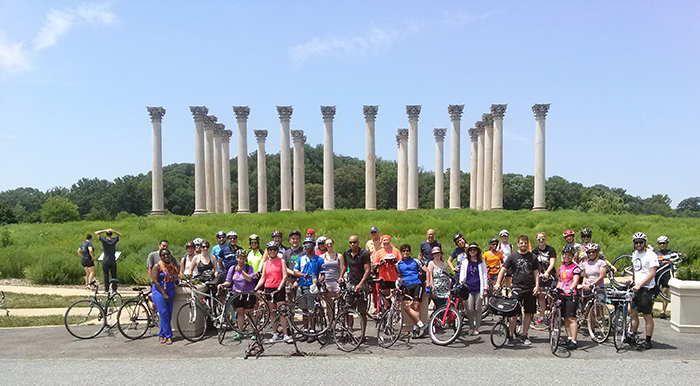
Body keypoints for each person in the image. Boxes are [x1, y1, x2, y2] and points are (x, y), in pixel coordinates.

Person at [495, 235, 539, 347]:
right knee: (513, 314)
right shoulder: (513, 256)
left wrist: (537, 286)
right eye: (521, 243)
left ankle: (524, 335)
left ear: (527, 244)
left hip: (530, 288)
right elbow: (503, 269)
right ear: (518, 244)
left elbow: (536, 272)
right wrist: (498, 283)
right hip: (517, 288)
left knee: (529, 313)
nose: (523, 245)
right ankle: (510, 336)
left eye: (525, 243)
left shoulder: (532, 257)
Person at [254, 241, 291, 343]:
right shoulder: (266, 263)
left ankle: (285, 334)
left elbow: (285, 276)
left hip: (279, 289)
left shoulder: (281, 261)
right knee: (272, 313)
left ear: (277, 250)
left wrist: (280, 287)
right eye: (270, 250)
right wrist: (256, 288)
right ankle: (275, 334)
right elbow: (263, 278)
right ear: (268, 251)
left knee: (282, 312)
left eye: (274, 250)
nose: (272, 252)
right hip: (268, 288)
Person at [293, 237, 326, 342]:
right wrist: (303, 275)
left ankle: (312, 330)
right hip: (302, 286)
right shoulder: (301, 258)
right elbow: (295, 271)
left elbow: (322, 273)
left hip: (312, 287)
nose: (306, 247)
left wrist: (319, 281)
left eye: (309, 245)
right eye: (305, 245)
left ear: (313, 245)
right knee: (304, 310)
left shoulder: (319, 259)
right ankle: (305, 330)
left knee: (312, 310)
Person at [218, 248, 255, 340]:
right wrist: (222, 285)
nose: (241, 260)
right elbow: (228, 281)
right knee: (239, 312)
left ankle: (254, 331)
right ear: (236, 258)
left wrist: (241, 272)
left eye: (243, 258)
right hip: (237, 294)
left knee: (249, 313)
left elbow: (250, 279)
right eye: (239, 258)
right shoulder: (232, 268)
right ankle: (240, 331)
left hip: (248, 293)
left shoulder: (249, 268)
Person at [630, 232, 658, 350]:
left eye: (641, 242)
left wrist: (640, 284)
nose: (638, 244)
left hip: (647, 289)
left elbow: (652, 274)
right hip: (636, 288)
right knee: (633, 313)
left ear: (645, 242)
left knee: (647, 316)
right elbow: (636, 270)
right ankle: (632, 335)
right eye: (636, 242)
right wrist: (632, 280)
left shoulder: (651, 255)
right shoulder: (635, 254)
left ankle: (648, 340)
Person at [397, 244, 428, 338]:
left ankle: (415, 329)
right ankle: (421, 325)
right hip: (406, 286)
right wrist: (399, 281)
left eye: (407, 251)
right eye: (403, 251)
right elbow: (398, 276)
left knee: (416, 307)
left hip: (417, 284)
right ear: (401, 252)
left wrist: (428, 283)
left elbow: (427, 271)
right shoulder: (398, 264)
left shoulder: (416, 261)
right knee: (406, 306)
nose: (405, 253)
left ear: (409, 252)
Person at [150, 248, 179, 345]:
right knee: (163, 313)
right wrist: (163, 294)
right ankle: (168, 336)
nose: (166, 256)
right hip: (159, 291)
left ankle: (161, 334)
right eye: (163, 255)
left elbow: (175, 277)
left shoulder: (171, 266)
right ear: (160, 256)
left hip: (170, 290)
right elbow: (155, 281)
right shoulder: (157, 266)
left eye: (167, 254)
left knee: (168, 314)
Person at [459, 242, 488, 335]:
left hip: (479, 287)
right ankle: (471, 326)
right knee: (470, 309)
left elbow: (484, 275)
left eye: (474, 250)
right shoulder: (465, 262)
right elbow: (462, 275)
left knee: (478, 309)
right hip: (468, 288)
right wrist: (461, 286)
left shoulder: (481, 262)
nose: (472, 251)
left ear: (477, 251)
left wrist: (485, 288)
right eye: (471, 250)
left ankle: (477, 327)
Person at [343, 235, 371, 327]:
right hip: (351, 282)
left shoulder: (364, 254)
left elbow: (367, 270)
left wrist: (361, 284)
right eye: (350, 243)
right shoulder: (347, 253)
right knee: (349, 309)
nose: (352, 244)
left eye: (354, 242)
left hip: (361, 283)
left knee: (362, 311)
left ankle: (362, 334)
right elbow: (345, 265)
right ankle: (349, 331)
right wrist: (341, 276)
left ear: (358, 242)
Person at [557, 245, 582, 350]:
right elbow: (560, 281)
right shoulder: (561, 267)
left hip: (571, 295)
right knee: (565, 318)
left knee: (571, 318)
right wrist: (557, 289)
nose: (566, 257)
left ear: (572, 256)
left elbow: (575, 281)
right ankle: (569, 338)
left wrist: (571, 289)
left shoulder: (575, 268)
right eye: (565, 254)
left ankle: (574, 340)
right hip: (562, 294)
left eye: (569, 255)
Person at [532, 232, 557, 326]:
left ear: (545, 239)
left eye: (543, 239)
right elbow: (534, 265)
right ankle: (542, 316)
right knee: (541, 295)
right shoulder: (534, 252)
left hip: (550, 274)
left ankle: (552, 315)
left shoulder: (551, 249)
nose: (541, 241)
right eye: (539, 239)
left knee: (551, 295)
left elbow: (552, 262)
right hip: (540, 274)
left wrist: (547, 271)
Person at [95, 228, 122, 293]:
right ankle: (114, 290)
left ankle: (106, 290)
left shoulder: (104, 240)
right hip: (113, 259)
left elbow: (96, 233)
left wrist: (104, 230)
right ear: (111, 234)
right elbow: (120, 235)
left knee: (106, 275)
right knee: (114, 275)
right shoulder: (114, 240)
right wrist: (114, 231)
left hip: (106, 259)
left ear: (106, 234)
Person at [656, 235, 676, 319]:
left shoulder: (671, 253)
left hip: (666, 275)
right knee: (653, 294)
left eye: (664, 243)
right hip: (657, 275)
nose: (662, 245)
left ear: (667, 244)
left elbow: (680, 256)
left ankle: (663, 311)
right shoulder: (655, 254)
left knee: (665, 293)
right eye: (660, 243)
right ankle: (649, 310)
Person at [282, 229, 304, 302]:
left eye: (297, 239)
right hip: (289, 280)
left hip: (301, 279)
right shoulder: (286, 253)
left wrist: (298, 279)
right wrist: (292, 273)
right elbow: (284, 266)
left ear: (300, 240)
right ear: (290, 240)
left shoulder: (304, 252)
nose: (295, 240)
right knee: (289, 303)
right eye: (293, 239)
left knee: (302, 303)